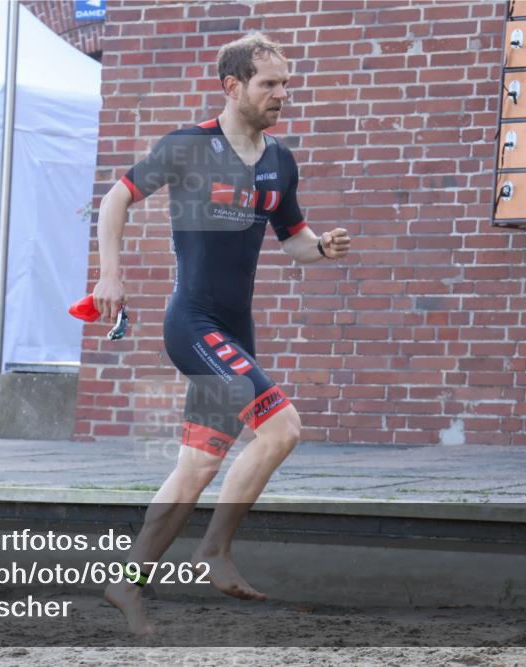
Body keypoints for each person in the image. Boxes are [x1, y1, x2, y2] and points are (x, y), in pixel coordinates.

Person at [95, 32, 352, 634]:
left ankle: (125, 581)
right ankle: (213, 549)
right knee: (282, 425)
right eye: (269, 84)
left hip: (236, 332)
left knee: (196, 469)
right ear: (232, 86)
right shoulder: (188, 147)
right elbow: (115, 200)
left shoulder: (279, 162)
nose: (281, 95)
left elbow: (294, 243)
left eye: (286, 83)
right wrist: (111, 274)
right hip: (194, 324)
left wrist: (323, 248)